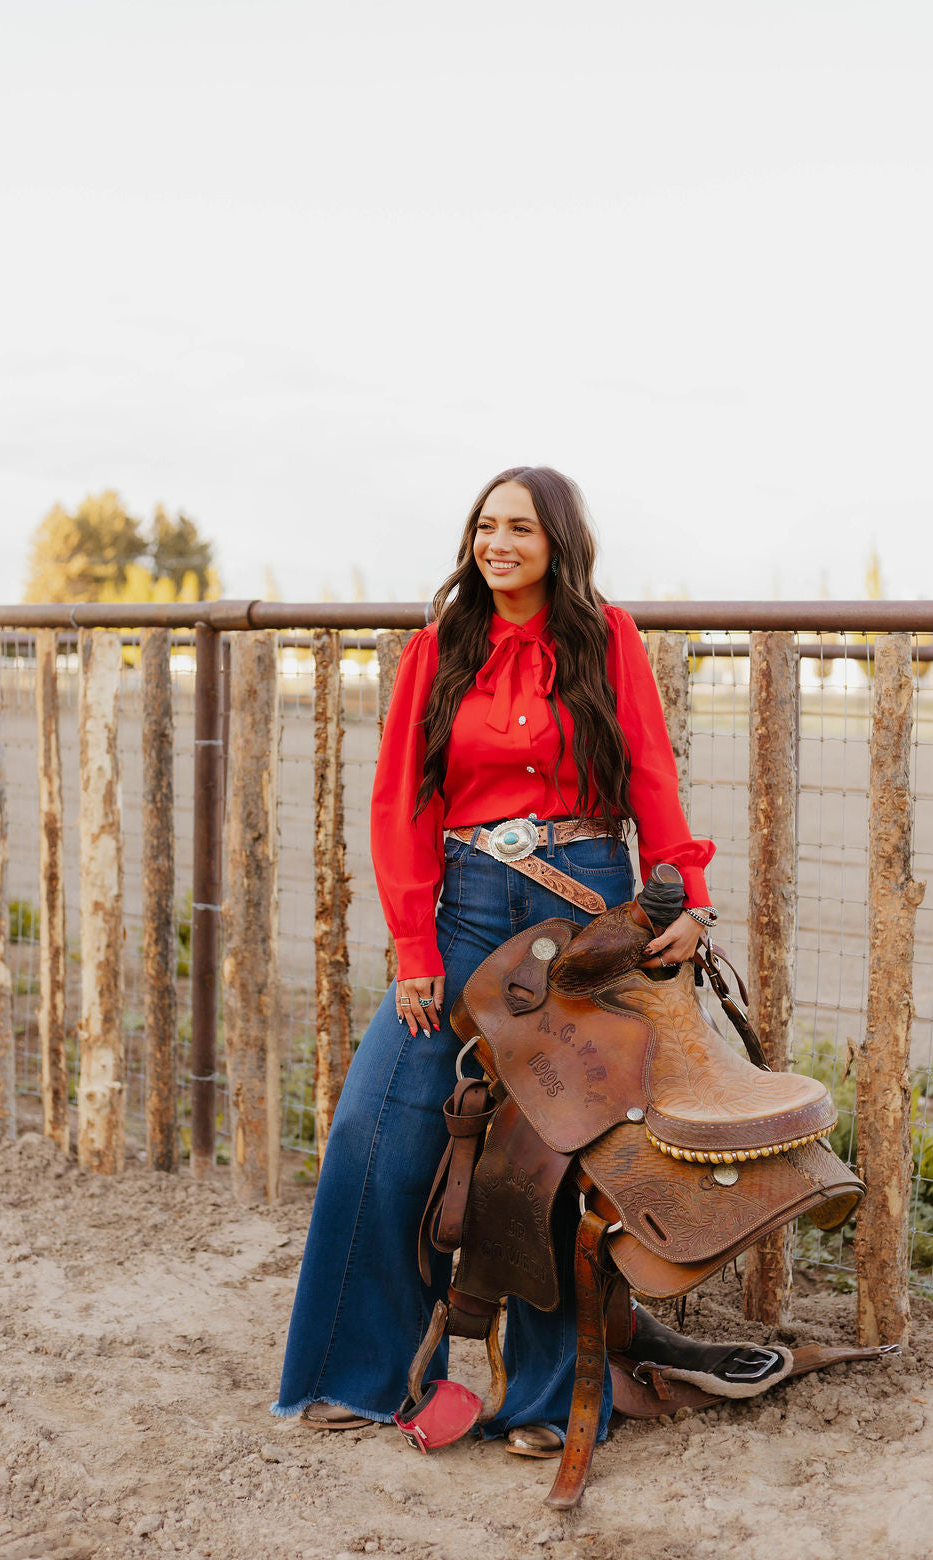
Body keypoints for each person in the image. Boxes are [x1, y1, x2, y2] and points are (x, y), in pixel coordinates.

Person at [271, 466, 716, 1455]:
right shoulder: (440, 649)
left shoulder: (607, 637)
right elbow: (403, 801)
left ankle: (551, 1400)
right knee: (376, 1126)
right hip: (467, 910)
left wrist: (685, 888)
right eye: (484, 526)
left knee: (559, 1147)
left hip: (583, 906)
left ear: (558, 542)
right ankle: (360, 1377)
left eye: (519, 528)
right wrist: (414, 945)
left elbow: (650, 768)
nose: (497, 544)